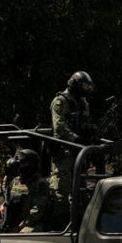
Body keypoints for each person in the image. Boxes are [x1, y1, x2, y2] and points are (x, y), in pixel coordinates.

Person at [50, 71, 95, 227]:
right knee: (62, 192)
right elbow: (59, 127)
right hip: (65, 151)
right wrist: (76, 139)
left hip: (79, 152)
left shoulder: (83, 103)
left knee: (81, 190)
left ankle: (78, 224)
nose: (86, 89)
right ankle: (59, 227)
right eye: (84, 85)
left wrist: (90, 133)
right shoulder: (60, 101)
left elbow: (85, 123)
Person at [0, 149, 51, 233]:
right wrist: (3, 206)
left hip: (30, 224)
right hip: (11, 223)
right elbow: (8, 200)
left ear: (32, 164)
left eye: (24, 163)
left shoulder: (40, 184)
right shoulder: (14, 182)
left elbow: (37, 211)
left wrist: (20, 226)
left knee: (22, 237)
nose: (21, 167)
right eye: (20, 164)